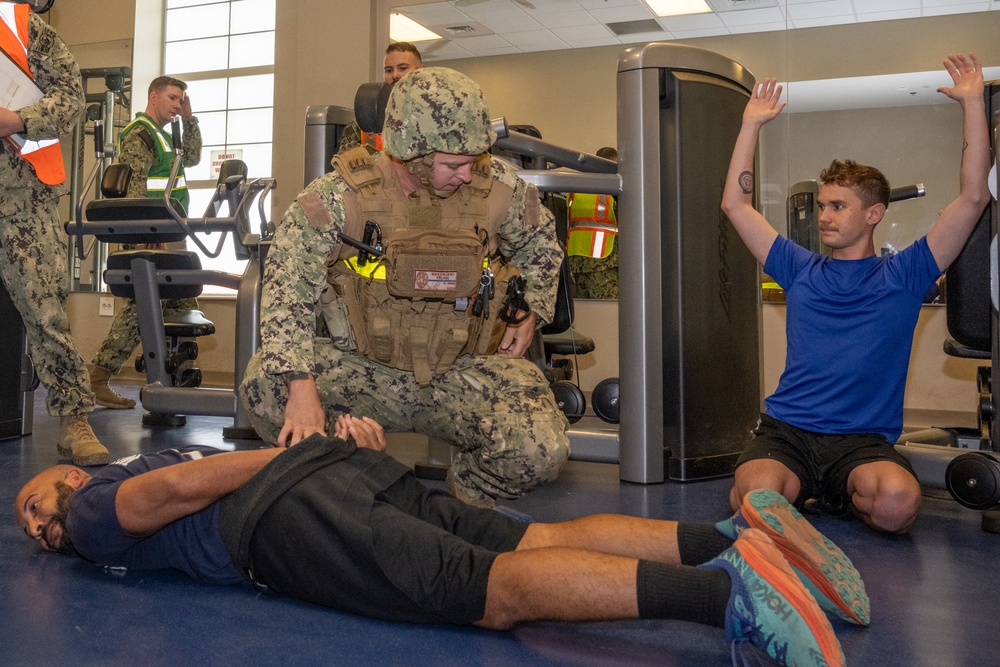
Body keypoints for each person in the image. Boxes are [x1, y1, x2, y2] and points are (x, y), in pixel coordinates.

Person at [15, 413, 869, 667]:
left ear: (62, 481)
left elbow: (173, 488)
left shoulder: (90, 511)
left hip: (286, 523)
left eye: (30, 504)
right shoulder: (135, 463)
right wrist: (318, 455)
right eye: (26, 525)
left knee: (490, 591)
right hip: (343, 483)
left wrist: (292, 452)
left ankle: (729, 595)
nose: (35, 523)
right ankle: (729, 536)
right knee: (536, 539)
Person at [240, 67, 570, 509]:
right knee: (266, 386)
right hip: (364, 372)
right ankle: (347, 476)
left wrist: (530, 310)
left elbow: (542, 245)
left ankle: (469, 496)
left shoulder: (499, 190)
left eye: (473, 161)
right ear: (411, 155)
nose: (467, 175)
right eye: (453, 164)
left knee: (542, 448)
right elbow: (286, 289)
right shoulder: (342, 197)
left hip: (461, 372)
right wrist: (302, 389)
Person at [721, 54, 991, 534]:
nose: (824, 215)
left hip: (862, 441)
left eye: (839, 205)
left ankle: (826, 493)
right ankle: (783, 488)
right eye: (823, 205)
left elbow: (974, 197)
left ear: (874, 213)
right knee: (758, 503)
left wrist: (973, 102)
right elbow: (735, 205)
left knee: (897, 506)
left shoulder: (907, 273)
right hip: (789, 431)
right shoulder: (798, 267)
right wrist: (750, 127)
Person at [0, 0, 108, 465]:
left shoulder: (23, 26)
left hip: (20, 197)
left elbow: (70, 95)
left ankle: (74, 419)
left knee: (45, 310)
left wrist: (19, 120)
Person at [88, 75, 203, 410]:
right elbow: (136, 187)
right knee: (143, 307)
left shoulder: (166, 135)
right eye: (172, 98)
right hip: (150, 236)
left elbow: (192, 159)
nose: (176, 104)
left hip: (167, 233)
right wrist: (147, 235)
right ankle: (98, 375)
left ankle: (180, 383)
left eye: (181, 99)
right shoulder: (139, 133)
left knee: (183, 302)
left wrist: (190, 119)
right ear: (153, 97)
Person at [338, 41, 423, 154]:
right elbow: (345, 166)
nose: (395, 75)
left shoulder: (436, 113)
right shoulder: (365, 121)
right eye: (389, 70)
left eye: (403, 68)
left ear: (421, 71)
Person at [568, 146, 619, 300]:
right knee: (608, 313)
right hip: (603, 262)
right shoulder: (612, 191)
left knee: (585, 314)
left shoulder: (574, 189)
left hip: (577, 262)